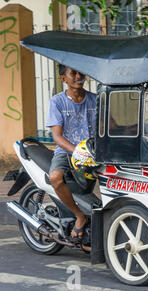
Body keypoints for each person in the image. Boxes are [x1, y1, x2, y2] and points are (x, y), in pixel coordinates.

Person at [46, 64, 96, 242]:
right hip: (67, 152)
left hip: (93, 153)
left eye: (80, 71)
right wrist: (77, 152)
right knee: (55, 178)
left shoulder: (95, 100)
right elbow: (57, 137)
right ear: (63, 79)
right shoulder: (57, 102)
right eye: (72, 73)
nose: (78, 76)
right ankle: (79, 215)